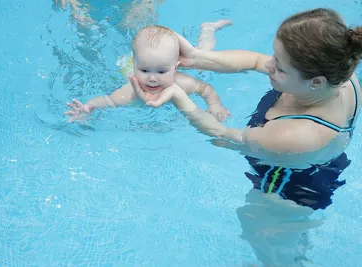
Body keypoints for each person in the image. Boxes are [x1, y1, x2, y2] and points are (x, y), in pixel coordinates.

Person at [130, 8, 362, 266]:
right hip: (319, 163)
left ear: (315, 82)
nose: (269, 65)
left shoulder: (297, 135)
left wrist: (178, 97)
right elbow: (252, 60)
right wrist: (197, 57)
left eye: (280, 68)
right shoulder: (338, 70)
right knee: (288, 240)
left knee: (260, 232)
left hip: (287, 189)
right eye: (274, 56)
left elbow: (224, 137)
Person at [65, 22, 232, 122]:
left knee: (201, 61)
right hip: (131, 62)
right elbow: (109, 100)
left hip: (170, 60)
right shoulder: (132, 91)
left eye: (161, 72)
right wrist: (88, 107)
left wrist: (215, 105)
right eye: (144, 70)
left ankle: (208, 29)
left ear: (175, 68)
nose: (152, 78)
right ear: (135, 66)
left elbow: (206, 89)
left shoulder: (182, 82)